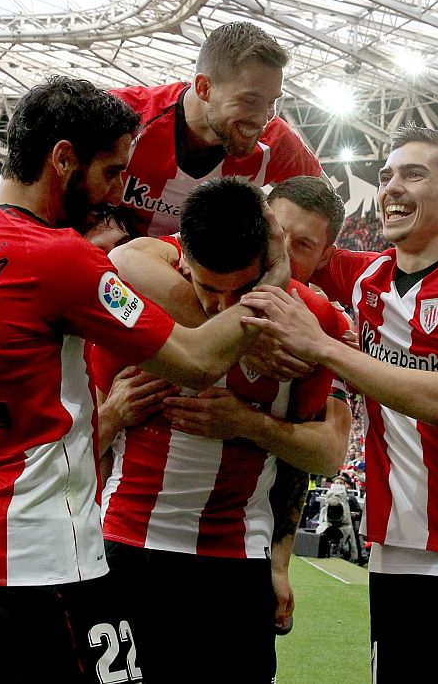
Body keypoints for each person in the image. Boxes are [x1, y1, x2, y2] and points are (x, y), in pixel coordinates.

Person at [0, 77, 290, 683]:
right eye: (110, 172)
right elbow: (201, 359)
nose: (118, 193)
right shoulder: (61, 257)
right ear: (62, 159)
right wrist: (275, 277)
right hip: (46, 560)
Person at [240, 125, 438, 682]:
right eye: (386, 176)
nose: (391, 187)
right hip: (396, 553)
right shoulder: (365, 279)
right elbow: (284, 243)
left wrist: (322, 347)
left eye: (414, 174)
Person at [93, 178, 350, 684]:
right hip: (126, 546)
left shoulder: (312, 325)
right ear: (183, 255)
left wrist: (247, 423)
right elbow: (118, 267)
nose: (220, 307)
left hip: (236, 560)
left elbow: (320, 455)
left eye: (240, 291)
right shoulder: (134, 292)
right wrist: (244, 328)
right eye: (208, 289)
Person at [111, 22, 320, 237]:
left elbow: (326, 208)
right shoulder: (126, 116)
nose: (262, 119)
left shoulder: (274, 141)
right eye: (250, 100)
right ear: (204, 88)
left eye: (271, 102)